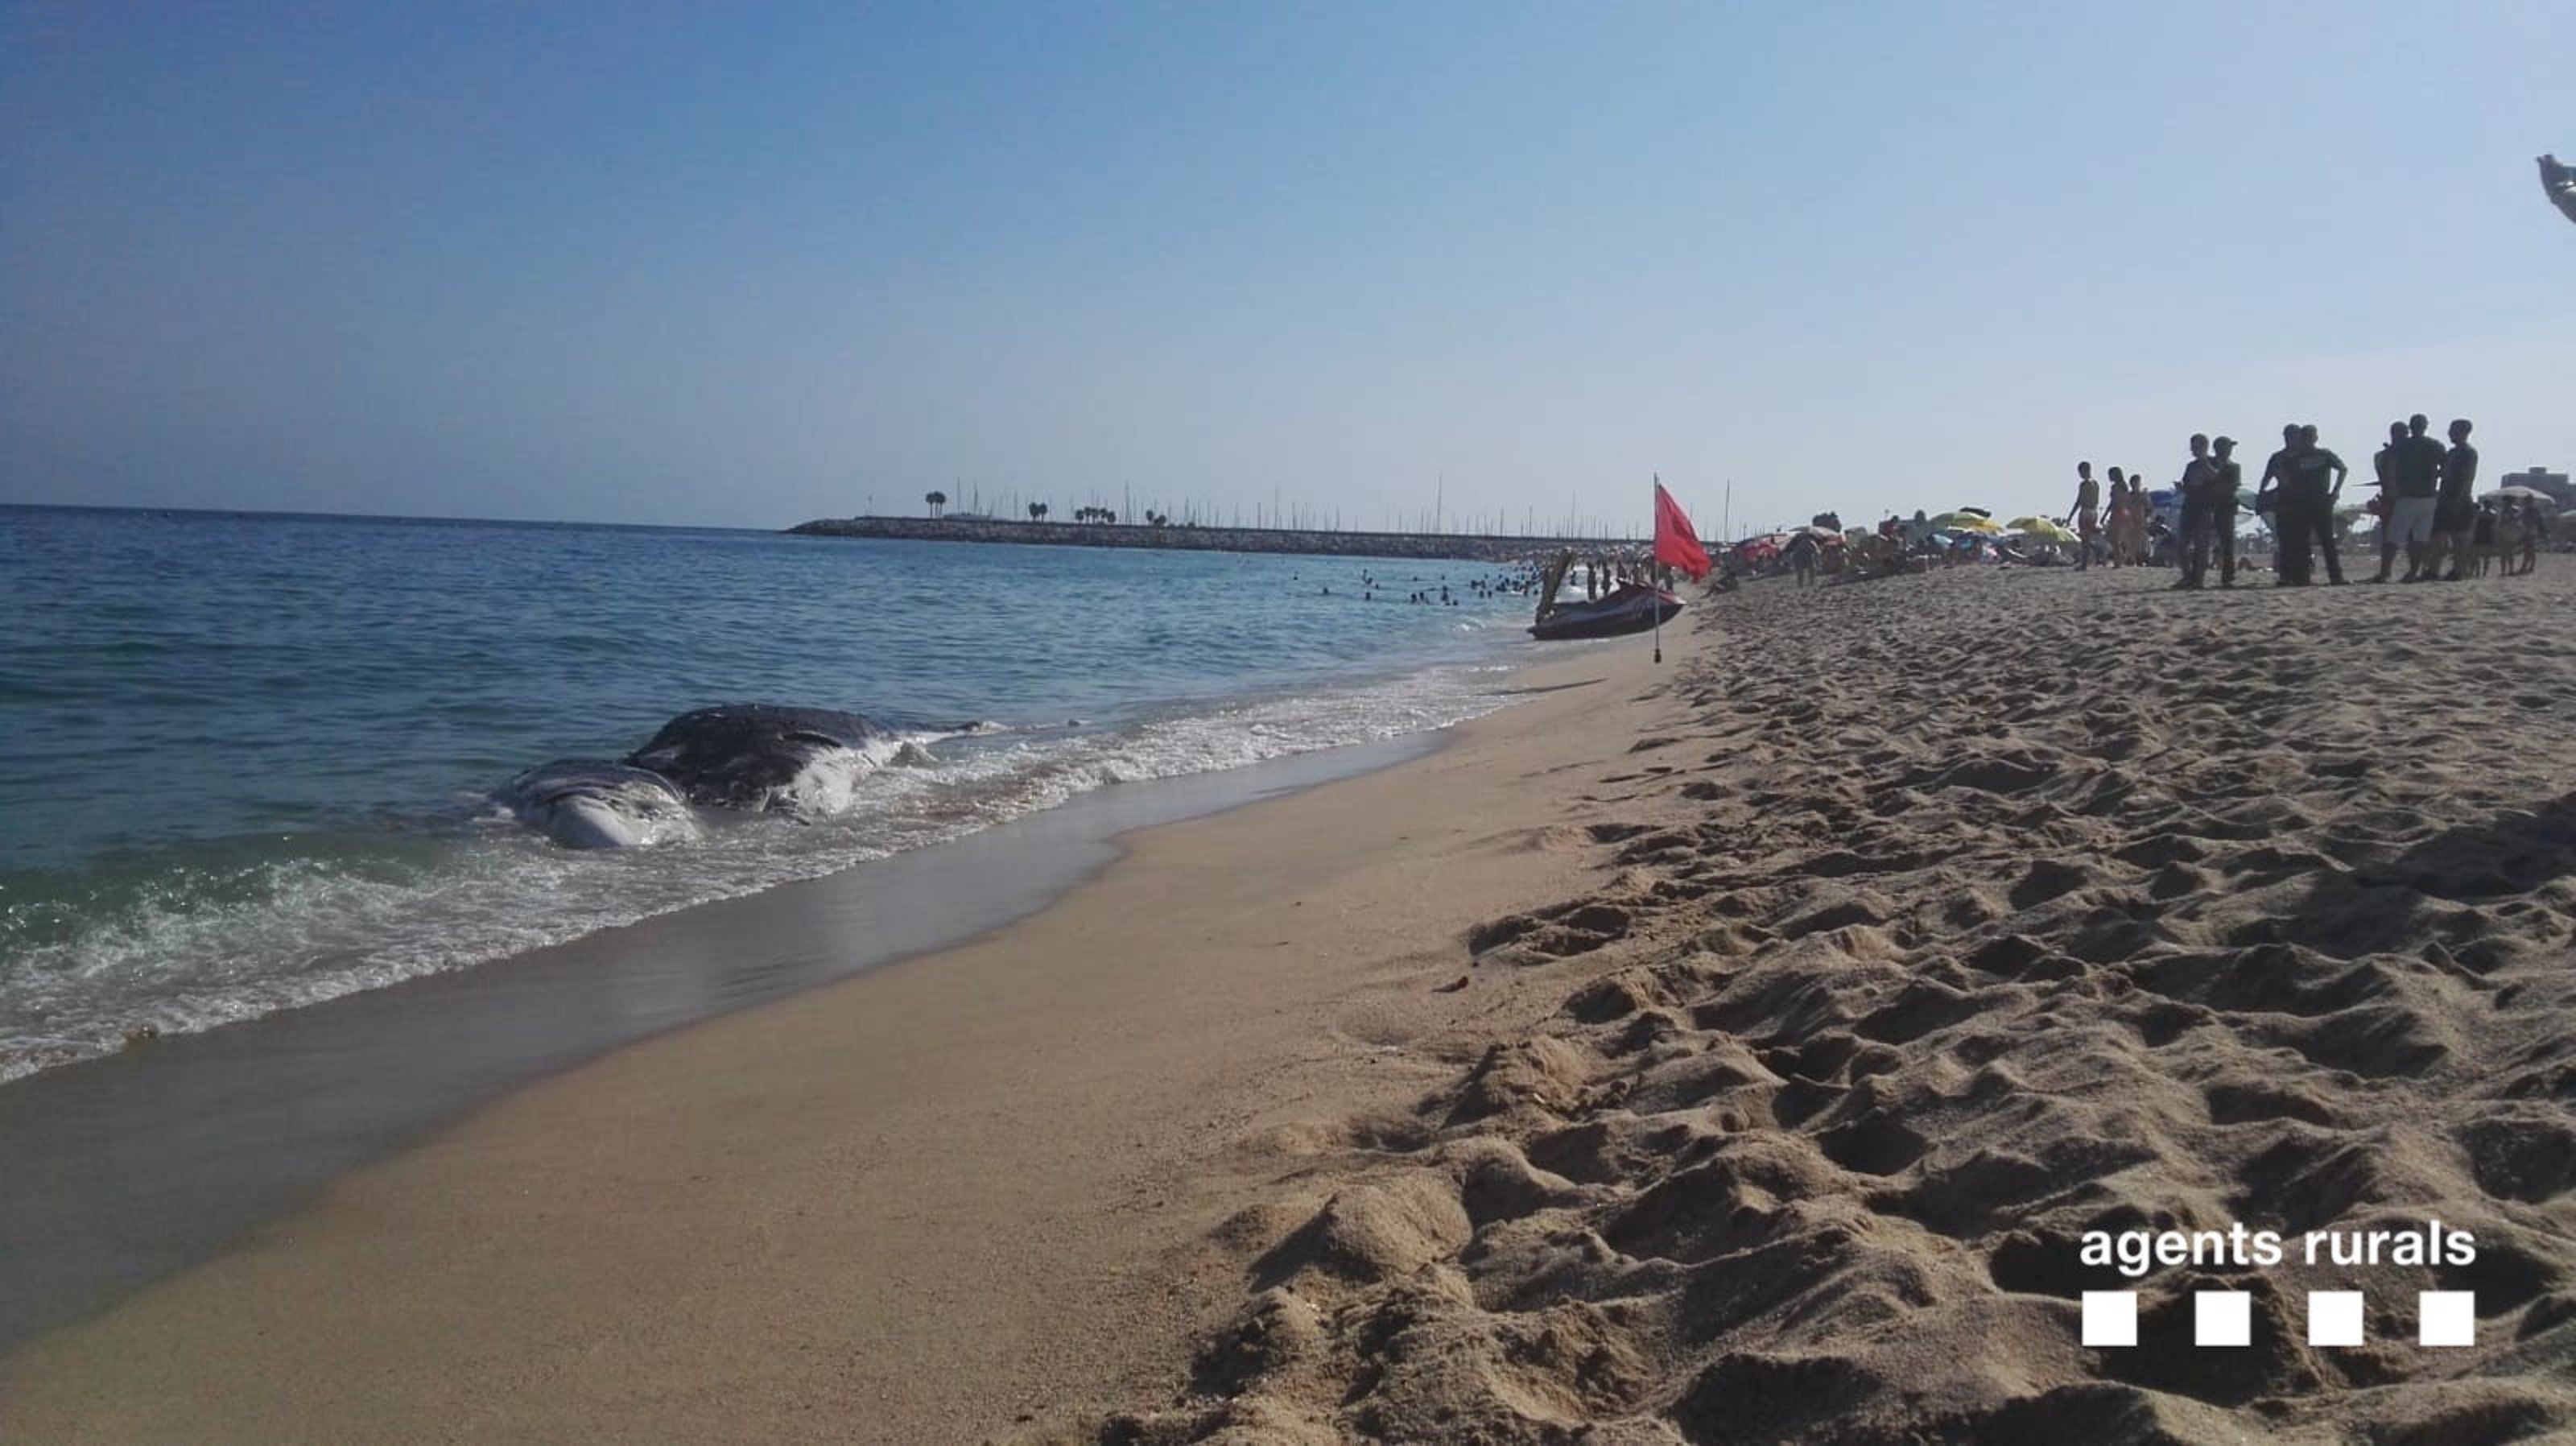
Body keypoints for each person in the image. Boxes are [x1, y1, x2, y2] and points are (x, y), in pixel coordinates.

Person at [2277, 424, 2348, 585]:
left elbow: (2343, 469)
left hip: (2321, 501)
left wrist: (2335, 491)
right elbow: (2282, 474)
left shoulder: (2324, 454)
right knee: (2303, 541)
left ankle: (2335, 576)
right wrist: (2290, 489)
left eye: (2310, 437)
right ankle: (2304, 577)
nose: (2308, 440)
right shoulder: (2294, 458)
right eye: (2306, 437)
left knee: (2327, 540)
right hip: (2302, 503)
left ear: (2315, 438)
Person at [2436, 418, 2479, 581]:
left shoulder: (2467, 453)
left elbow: (2465, 478)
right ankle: (2446, 569)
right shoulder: (2453, 452)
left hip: (2459, 499)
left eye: (2453, 430)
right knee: (2444, 537)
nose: (2449, 433)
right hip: (2447, 497)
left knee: (2459, 538)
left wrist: (2457, 500)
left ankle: (2459, 570)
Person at [2174, 434, 2220, 589]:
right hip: (2189, 507)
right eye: (2192, 447)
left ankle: (2198, 579)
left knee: (2202, 546)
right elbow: (2187, 485)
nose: (2193, 450)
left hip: (2205, 508)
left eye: (2196, 447)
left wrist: (2204, 462)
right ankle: (2187, 576)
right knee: (2181, 544)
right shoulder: (2191, 466)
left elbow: (2216, 478)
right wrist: (2181, 488)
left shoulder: (2213, 462)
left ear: (2204, 447)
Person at [2369, 421, 2407, 582]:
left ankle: (2387, 571)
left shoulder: (2387, 455)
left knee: (2393, 538)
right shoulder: (2384, 456)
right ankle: (2386, 571)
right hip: (2392, 499)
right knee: (2389, 538)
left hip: (2401, 498)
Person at [2209, 436, 2244, 586]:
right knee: (2201, 541)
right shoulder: (2209, 463)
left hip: (2226, 507)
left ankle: (2228, 576)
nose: (2230, 450)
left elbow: (2233, 486)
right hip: (2209, 505)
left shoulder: (2234, 467)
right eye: (2227, 447)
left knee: (2228, 543)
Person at [2066, 462, 2101, 569]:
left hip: (2086, 512)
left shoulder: (2085, 484)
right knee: (2088, 538)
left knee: (2085, 540)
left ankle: (2084, 564)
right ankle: (2088, 561)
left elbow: (2079, 501)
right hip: (2094, 512)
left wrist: (2071, 515)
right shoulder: (2096, 483)